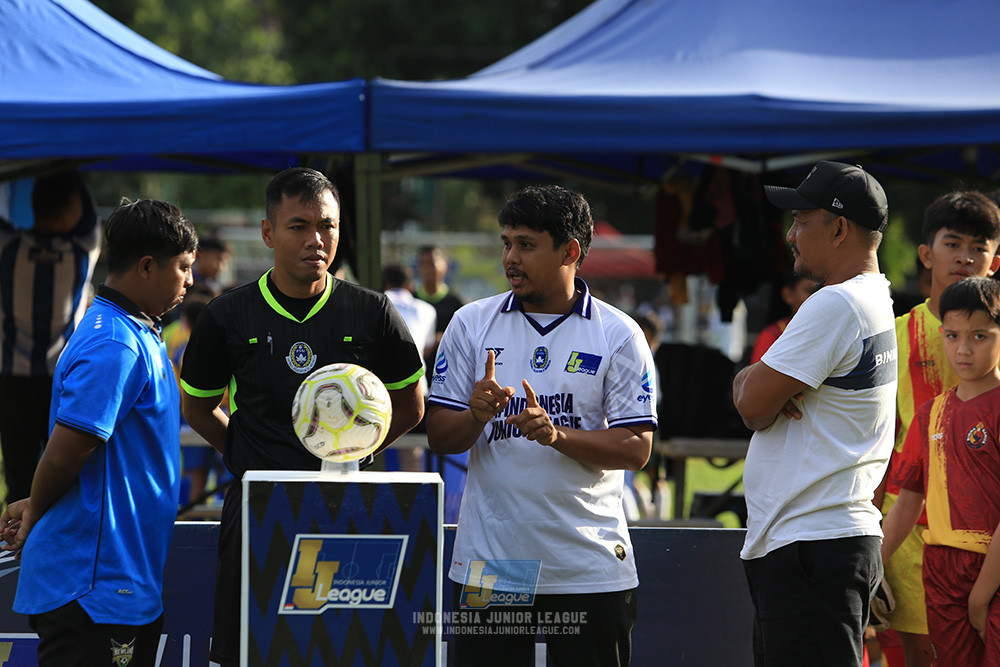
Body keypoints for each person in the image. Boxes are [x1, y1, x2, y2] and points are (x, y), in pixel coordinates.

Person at [178, 167, 424, 667]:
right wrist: (246, 453)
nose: (316, 239)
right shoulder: (226, 316)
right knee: (251, 653)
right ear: (269, 232)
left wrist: (357, 452)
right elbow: (198, 407)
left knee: (347, 650)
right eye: (298, 226)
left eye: (327, 226)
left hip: (350, 510)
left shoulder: (373, 312)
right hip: (258, 510)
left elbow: (412, 403)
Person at [425, 185, 656, 666]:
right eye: (507, 243)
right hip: (490, 566)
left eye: (526, 245)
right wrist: (475, 416)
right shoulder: (470, 323)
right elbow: (440, 436)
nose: (511, 257)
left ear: (570, 251)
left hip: (587, 565)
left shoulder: (619, 333)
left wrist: (556, 436)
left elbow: (636, 447)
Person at [0, 199, 197, 667]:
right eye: (184, 267)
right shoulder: (115, 343)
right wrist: (38, 509)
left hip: (119, 582)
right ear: (147, 266)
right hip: (96, 587)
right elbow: (68, 454)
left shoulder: (135, 330)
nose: (190, 280)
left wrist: (41, 501)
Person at [733, 161, 896, 666]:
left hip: (811, 545)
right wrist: (765, 383)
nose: (790, 235)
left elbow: (750, 404)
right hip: (824, 541)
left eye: (802, 220)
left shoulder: (837, 305)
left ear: (840, 227)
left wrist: (755, 379)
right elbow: (760, 398)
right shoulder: (873, 297)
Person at [878, 191, 1000, 666]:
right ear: (926, 254)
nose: (966, 257)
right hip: (909, 528)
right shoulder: (892, 335)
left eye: (978, 246)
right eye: (954, 243)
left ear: (995, 260)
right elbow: (874, 434)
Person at [0, 170, 101, 505]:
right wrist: (68, 164)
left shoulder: (7, 247)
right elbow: (88, 214)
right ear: (68, 209)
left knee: (19, 472)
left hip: (12, 377)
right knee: (62, 470)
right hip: (61, 377)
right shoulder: (81, 250)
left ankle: (13, 546)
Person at [382, 262, 436, 472]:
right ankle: (412, 503)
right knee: (412, 454)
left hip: (376, 389)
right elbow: (426, 348)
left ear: (385, 283)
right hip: (417, 390)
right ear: (410, 285)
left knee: (364, 446)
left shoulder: (374, 302)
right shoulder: (427, 309)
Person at [749, 269, 820, 364]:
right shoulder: (772, 336)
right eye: (810, 291)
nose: (817, 297)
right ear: (788, 294)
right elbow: (756, 378)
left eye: (820, 291)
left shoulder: (831, 331)